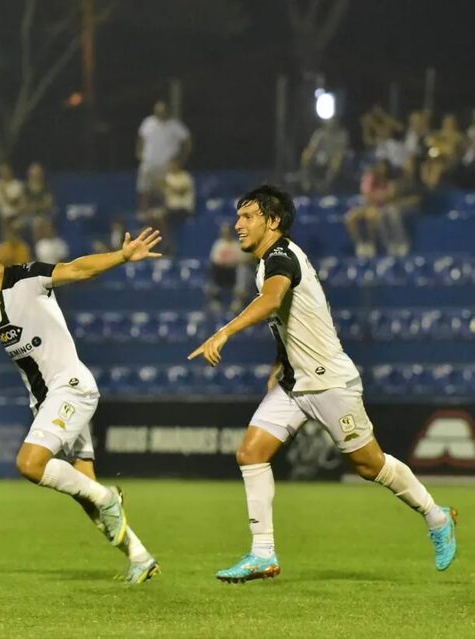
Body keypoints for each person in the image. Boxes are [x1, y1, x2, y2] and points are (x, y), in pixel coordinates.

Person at [188, 184, 457, 583]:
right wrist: (280, 362)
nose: (238, 224)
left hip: (329, 381)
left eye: (247, 217)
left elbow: (270, 302)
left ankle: (437, 518)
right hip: (295, 383)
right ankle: (263, 554)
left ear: (273, 221)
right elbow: (290, 317)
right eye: (238, 216)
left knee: (370, 465)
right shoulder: (271, 261)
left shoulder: (281, 257)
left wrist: (224, 332)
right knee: (251, 452)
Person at [0, 227, 163, 584]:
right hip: (46, 401)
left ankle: (109, 497)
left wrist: (122, 256)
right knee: (84, 492)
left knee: (30, 463)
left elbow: (77, 269)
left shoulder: (27, 278)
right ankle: (140, 556)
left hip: (70, 388)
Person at [136, 100, 192, 217]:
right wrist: (139, 153)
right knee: (144, 188)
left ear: (167, 111)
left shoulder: (175, 125)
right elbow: (141, 138)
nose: (160, 113)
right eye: (158, 111)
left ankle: (164, 212)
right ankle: (143, 211)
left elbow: (187, 141)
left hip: (167, 165)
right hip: (149, 162)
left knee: (165, 190)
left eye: (162, 111)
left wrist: (181, 159)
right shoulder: (148, 122)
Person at [300, 118, 349, 194]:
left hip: (335, 158)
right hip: (321, 157)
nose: (331, 123)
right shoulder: (320, 133)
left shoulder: (342, 134)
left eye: (333, 120)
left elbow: (343, 150)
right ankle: (306, 182)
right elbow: (312, 148)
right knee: (306, 155)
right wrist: (310, 154)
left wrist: (338, 156)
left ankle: (325, 185)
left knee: (337, 160)